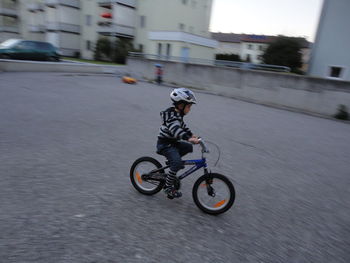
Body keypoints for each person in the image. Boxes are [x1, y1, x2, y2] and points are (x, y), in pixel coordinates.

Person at [156, 88, 200, 198]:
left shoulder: (178, 115)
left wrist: (191, 135)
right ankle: (168, 187)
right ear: (181, 105)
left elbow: (183, 126)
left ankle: (173, 162)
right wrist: (187, 137)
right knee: (177, 163)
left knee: (188, 147)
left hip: (173, 143)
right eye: (189, 106)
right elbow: (176, 130)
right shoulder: (171, 117)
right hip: (165, 144)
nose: (190, 109)